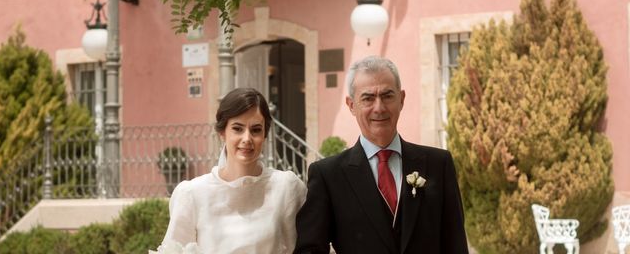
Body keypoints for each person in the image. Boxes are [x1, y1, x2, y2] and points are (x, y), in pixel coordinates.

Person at [294, 56, 468, 254]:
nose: (379, 107)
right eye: (368, 98)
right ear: (351, 105)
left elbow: (455, 245)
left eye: (387, 96)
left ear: (401, 99)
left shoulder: (438, 165)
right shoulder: (328, 176)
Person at [154, 87, 307, 253]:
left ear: (264, 135)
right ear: (222, 132)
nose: (247, 138)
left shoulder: (286, 187)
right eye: (237, 128)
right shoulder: (192, 194)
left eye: (255, 130)